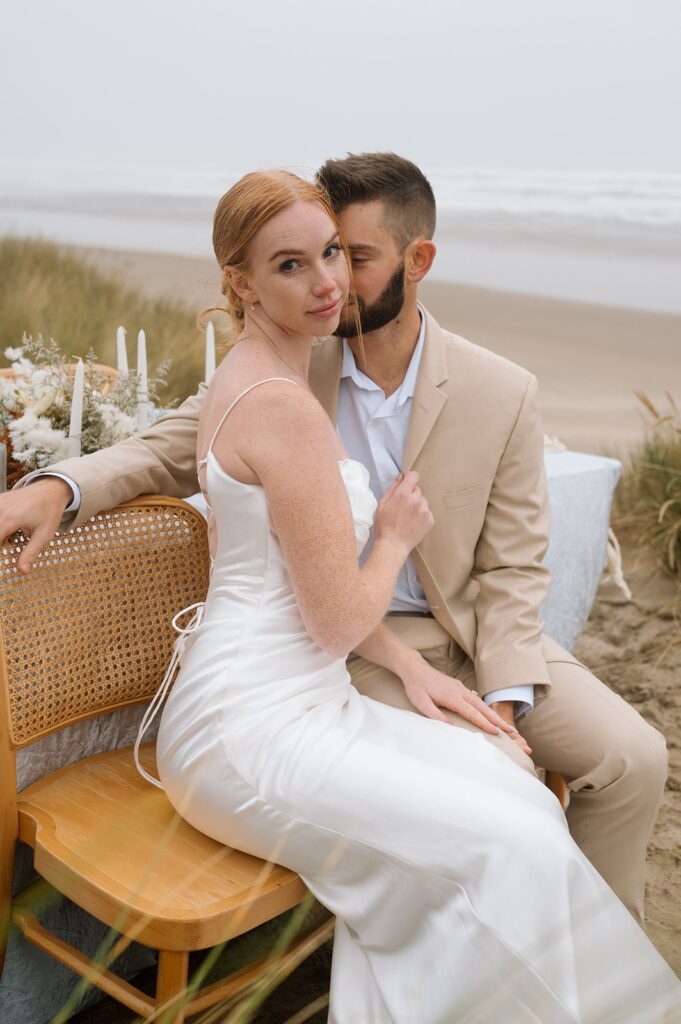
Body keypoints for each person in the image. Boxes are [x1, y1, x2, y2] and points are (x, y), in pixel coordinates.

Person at [3, 167, 680, 1022]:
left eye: (348, 256)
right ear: (247, 280)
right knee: (502, 810)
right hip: (342, 659)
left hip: (459, 638)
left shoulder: (497, 388)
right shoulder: (294, 364)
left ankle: (579, 973)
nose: (332, 282)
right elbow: (171, 446)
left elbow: (513, 571)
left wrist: (503, 697)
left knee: (631, 758)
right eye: (306, 260)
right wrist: (58, 486)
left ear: (416, 258)